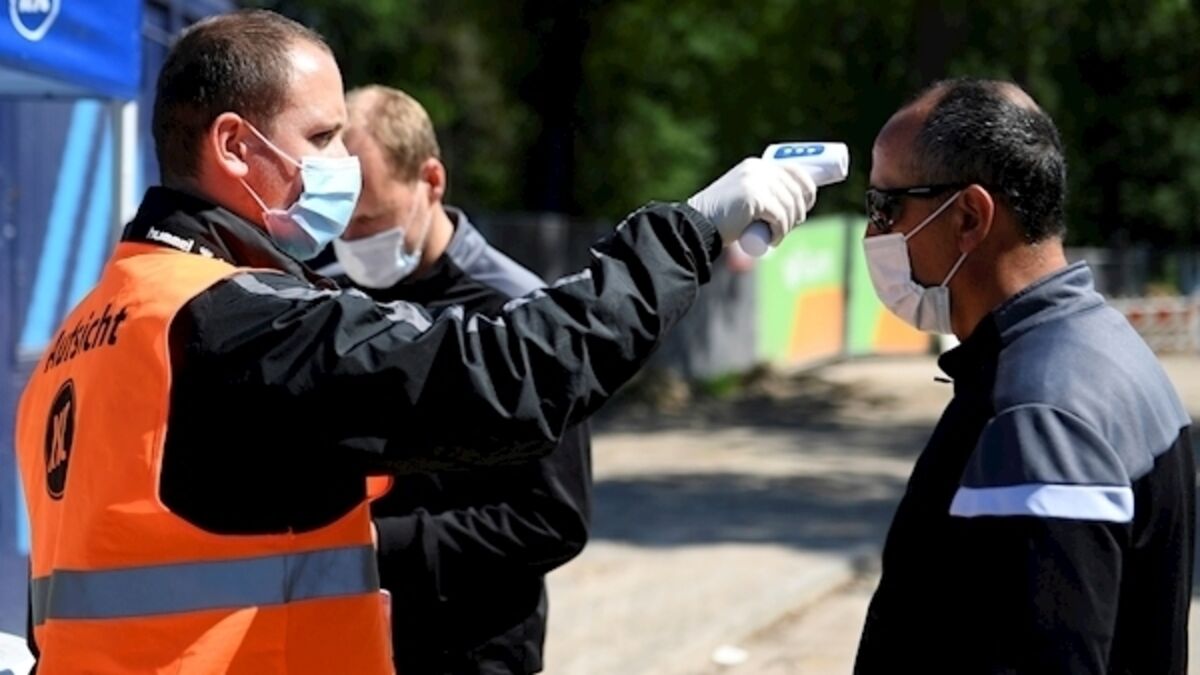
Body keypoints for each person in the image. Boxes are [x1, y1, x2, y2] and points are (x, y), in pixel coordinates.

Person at [13, 9, 819, 674]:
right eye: (323, 137)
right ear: (234, 146)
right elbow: (513, 374)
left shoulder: (76, 344)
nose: (342, 165)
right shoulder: (240, 325)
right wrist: (687, 233)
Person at [854, 77, 1194, 673]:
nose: (872, 235)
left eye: (885, 208)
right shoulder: (1105, 348)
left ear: (968, 217)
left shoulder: (1036, 415)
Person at [311, 84, 593, 674]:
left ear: (431, 181)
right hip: (344, 639)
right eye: (341, 223)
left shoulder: (519, 311)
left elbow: (554, 520)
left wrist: (377, 545)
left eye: (372, 219)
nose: (353, 242)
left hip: (474, 647)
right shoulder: (323, 295)